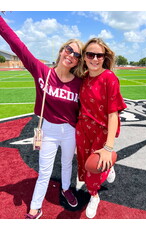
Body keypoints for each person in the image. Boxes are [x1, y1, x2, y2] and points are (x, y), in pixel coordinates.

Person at [0, 16, 84, 219]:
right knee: (45, 170)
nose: (71, 55)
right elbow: (18, 46)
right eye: (69, 49)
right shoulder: (42, 72)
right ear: (62, 50)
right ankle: (35, 207)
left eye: (76, 54)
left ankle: (66, 189)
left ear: (78, 60)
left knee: (67, 164)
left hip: (70, 130)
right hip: (48, 129)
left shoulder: (80, 82)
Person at [76, 38, 127, 218]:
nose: (95, 59)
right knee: (83, 164)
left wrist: (108, 147)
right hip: (82, 129)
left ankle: (94, 196)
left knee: (93, 170)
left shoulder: (109, 78)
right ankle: (107, 167)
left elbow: (114, 114)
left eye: (99, 55)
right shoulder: (82, 77)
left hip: (101, 131)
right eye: (90, 54)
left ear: (104, 57)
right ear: (84, 56)